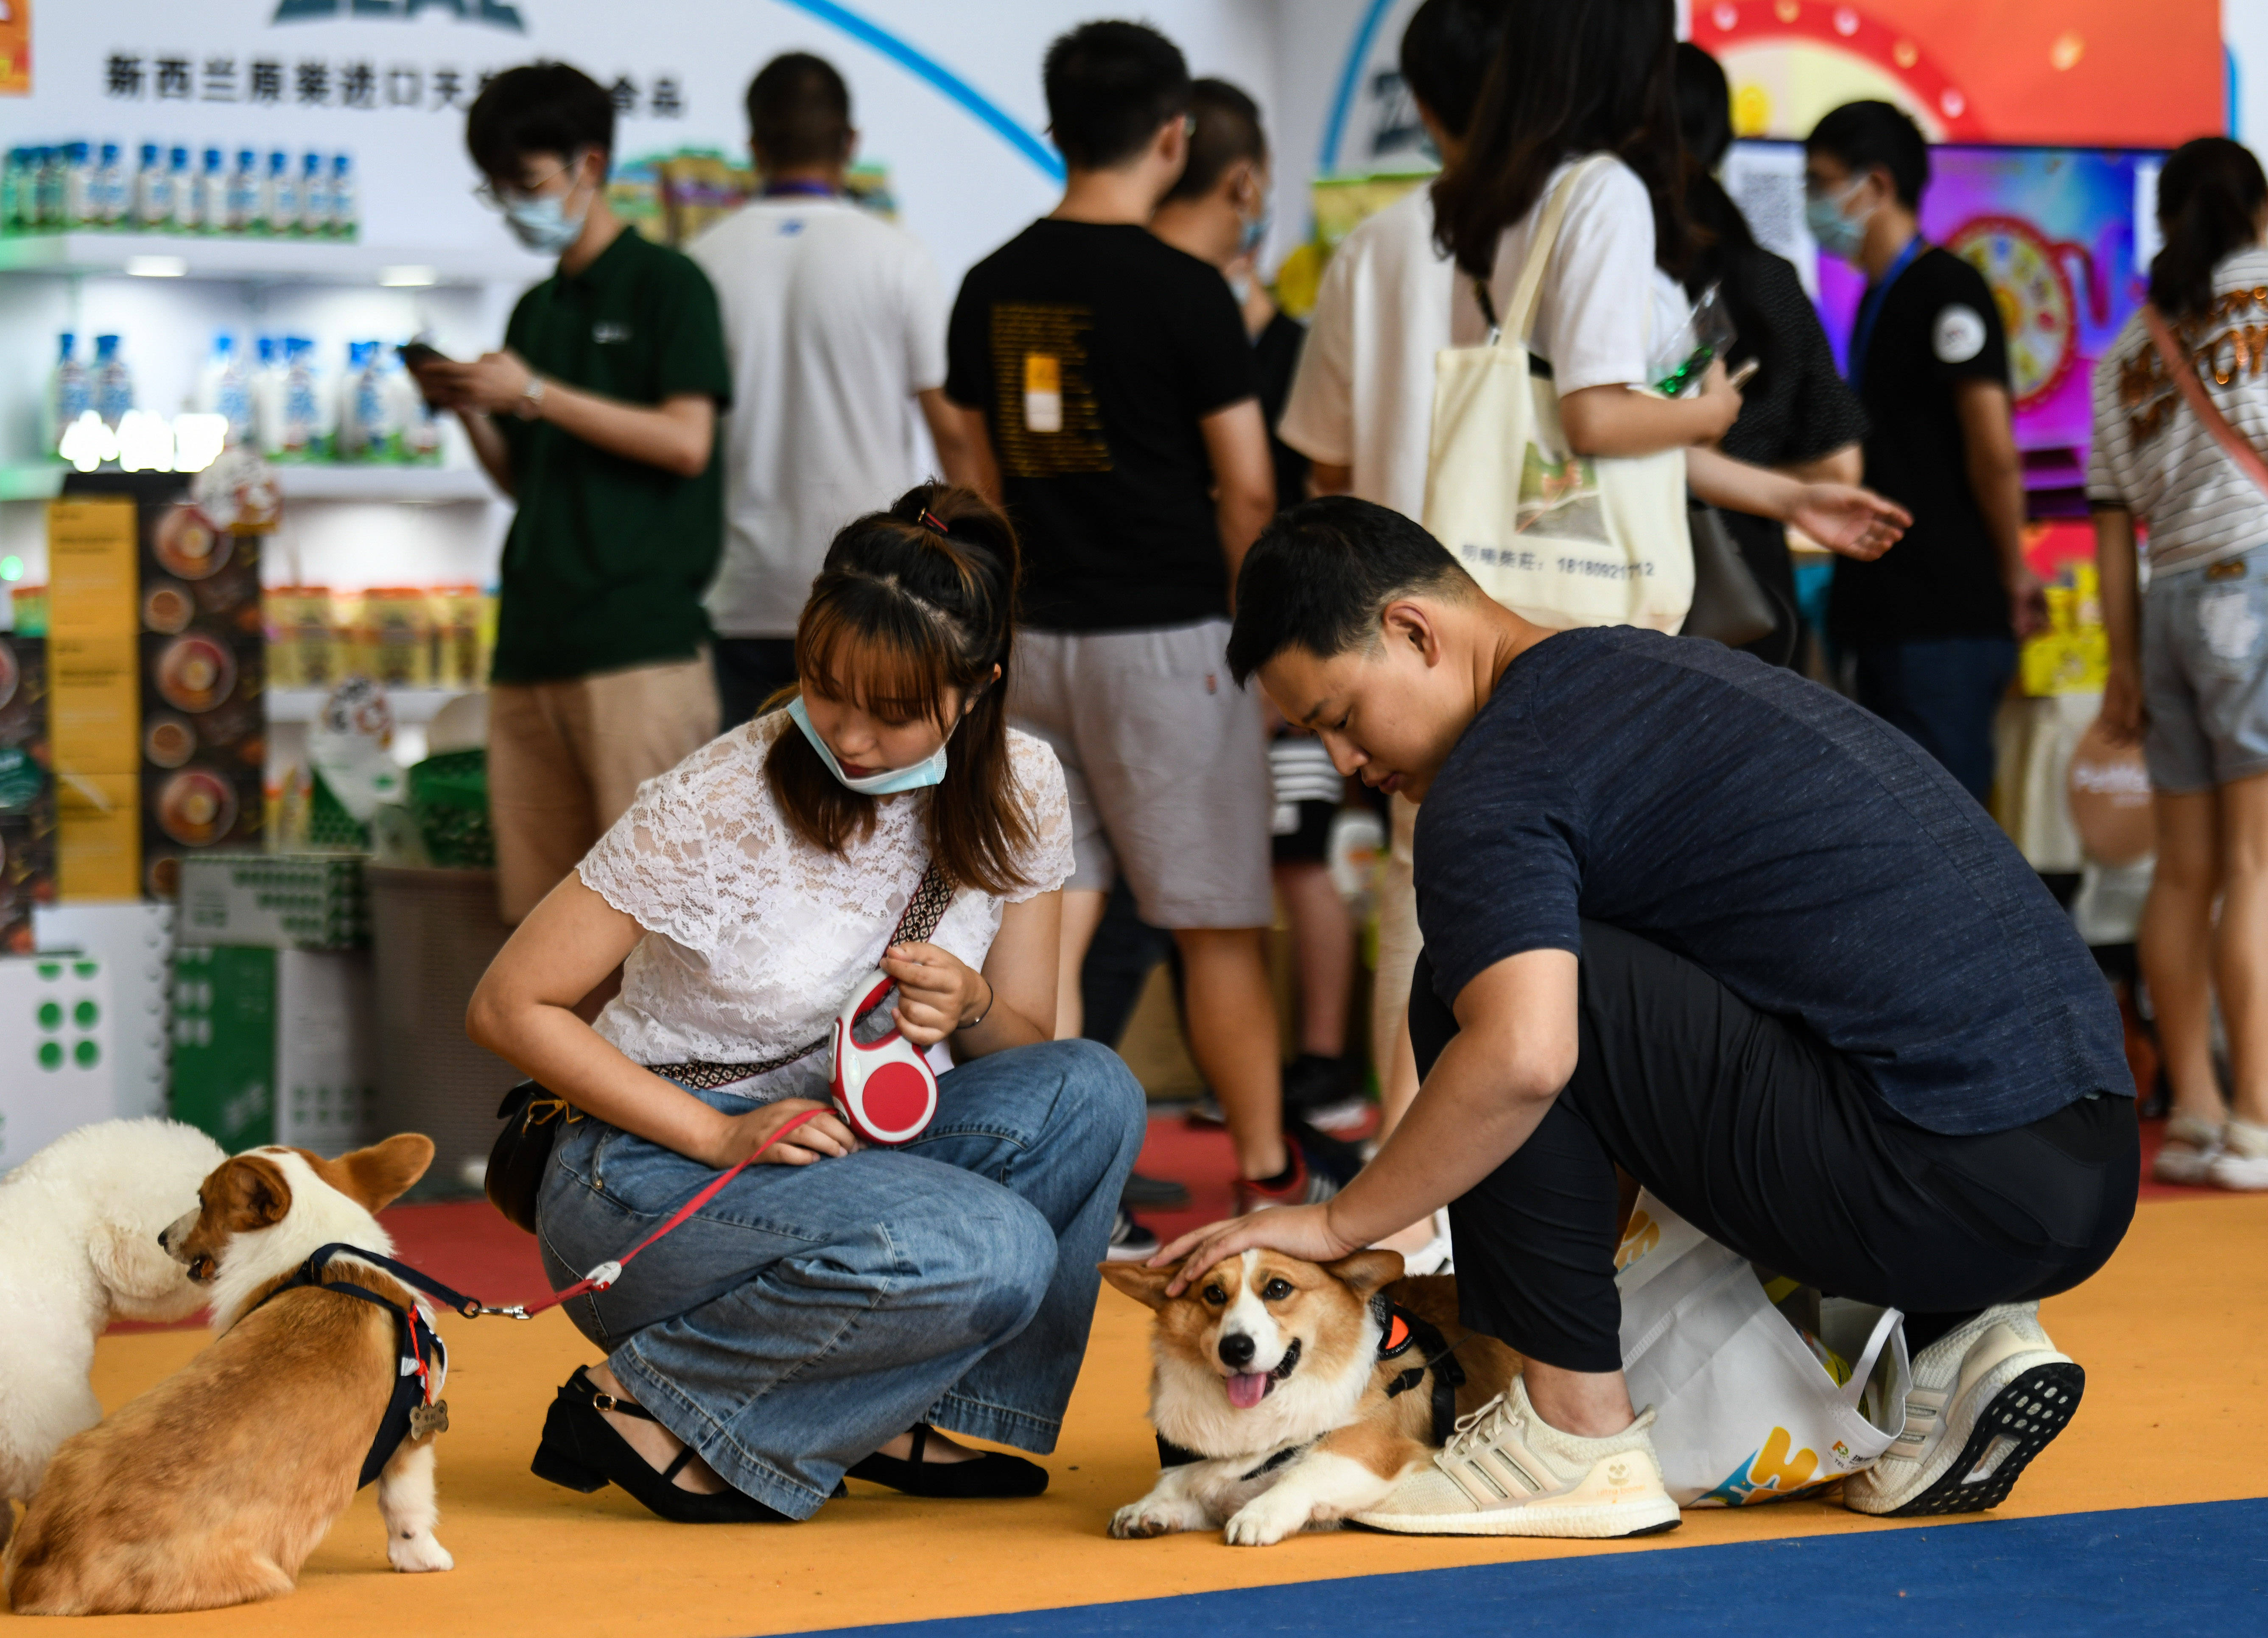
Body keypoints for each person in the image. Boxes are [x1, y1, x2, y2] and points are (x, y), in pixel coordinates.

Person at [1159, 495, 2136, 1538]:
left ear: (1413, 630)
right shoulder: (1646, 672)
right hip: (2087, 1161)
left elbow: (1527, 1058)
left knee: (1472, 986)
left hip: (1938, 1173)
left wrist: (1338, 1220)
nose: (1349, 766)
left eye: (1341, 718)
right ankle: (1956, 1340)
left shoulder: (1491, 782)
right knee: (1597, 975)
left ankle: (1571, 1436)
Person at [467, 484, 1146, 1523]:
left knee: (1091, 1087)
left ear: (976, 689)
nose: (853, 735)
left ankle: (893, 1404)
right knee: (992, 1245)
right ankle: (645, 1401)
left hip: (842, 1151)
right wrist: (719, 1131)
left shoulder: (1021, 781)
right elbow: (511, 1005)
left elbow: (1026, 1048)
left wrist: (970, 1001)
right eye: (828, 689)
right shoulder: (718, 800)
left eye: (894, 709)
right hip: (649, 1167)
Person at [942, 22, 1320, 1211]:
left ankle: (1045, 1176)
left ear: (1057, 130)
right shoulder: (1187, 289)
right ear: (1172, 136)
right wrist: (1262, 639)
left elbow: (967, 467)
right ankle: (1265, 1178)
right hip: (1172, 648)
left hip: (1034, 641)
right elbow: (1250, 486)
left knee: (1052, 908)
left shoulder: (989, 280)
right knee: (1214, 927)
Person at [1280, 0, 1515, 1194]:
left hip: (1393, 637)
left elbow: (1320, 466)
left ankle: (1405, 1177)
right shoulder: (1577, 227)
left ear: (1419, 105)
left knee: (1422, 900)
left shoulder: (1373, 247)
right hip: (1548, 627)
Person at [414, 64, 733, 926]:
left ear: (590, 164)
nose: (516, 203)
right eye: (498, 189)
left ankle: (659, 1076)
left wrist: (534, 395)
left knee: (657, 923)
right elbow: (526, 479)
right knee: (539, 923)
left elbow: (685, 440)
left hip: (637, 645)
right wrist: (474, 411)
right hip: (530, 646)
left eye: (527, 182)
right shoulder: (536, 311)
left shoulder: (669, 285)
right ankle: (561, 1072)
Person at [1149, 78, 1365, 1136]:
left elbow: (1295, 490)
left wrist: (1289, 660)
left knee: (1297, 855)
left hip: (1276, 645)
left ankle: (1323, 1066)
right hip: (1209, 649)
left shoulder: (1287, 346)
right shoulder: (1182, 327)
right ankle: (1266, 1082)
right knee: (1239, 878)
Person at [689, 52, 979, 729]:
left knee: (748, 821)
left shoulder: (703, 262)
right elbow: (955, 435)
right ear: (850, 143)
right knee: (868, 818)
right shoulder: (896, 256)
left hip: (738, 590)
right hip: (871, 589)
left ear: (754, 147)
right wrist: (973, 576)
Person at [2095, 137, 2268, 1192]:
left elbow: (2114, 525)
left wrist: (2120, 663)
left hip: (2165, 604)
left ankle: (2198, 1116)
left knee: (2185, 869)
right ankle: (2259, 1115)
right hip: (2254, 585)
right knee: (2258, 867)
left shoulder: (2127, 348)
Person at [1804, 100, 2043, 804]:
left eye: (1821, 182)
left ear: (1875, 186)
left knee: (1948, 824)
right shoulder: (1883, 295)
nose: (1814, 203)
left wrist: (2016, 573)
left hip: (1945, 615)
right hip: (1887, 611)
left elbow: (1992, 451)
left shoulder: (1949, 289)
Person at [1675, 42, 1869, 669]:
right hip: (1751, 588)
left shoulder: (1621, 271)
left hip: (1638, 575)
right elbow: (1842, 466)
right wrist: (1763, 487)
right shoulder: (1771, 282)